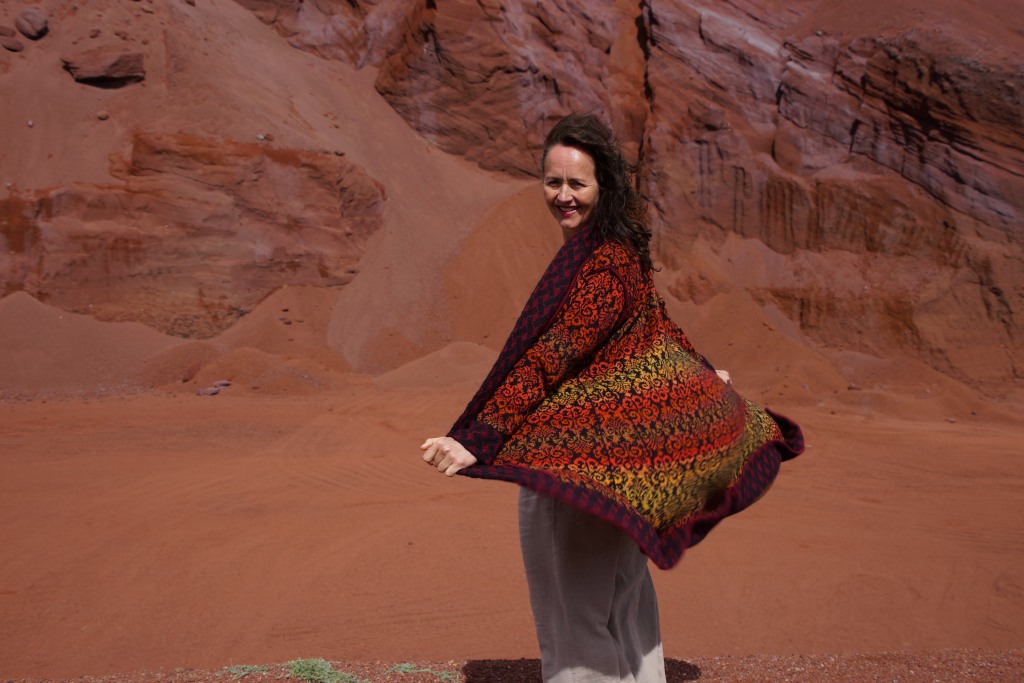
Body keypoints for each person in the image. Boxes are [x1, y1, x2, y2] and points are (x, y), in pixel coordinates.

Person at [421, 112, 804, 683]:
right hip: (618, 472)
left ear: (604, 186)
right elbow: (659, 328)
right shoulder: (617, 250)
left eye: (578, 183)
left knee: (573, 620)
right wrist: (699, 370)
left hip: (581, 473)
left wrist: (478, 437)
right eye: (554, 182)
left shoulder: (601, 266)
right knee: (624, 601)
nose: (564, 196)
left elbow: (552, 355)